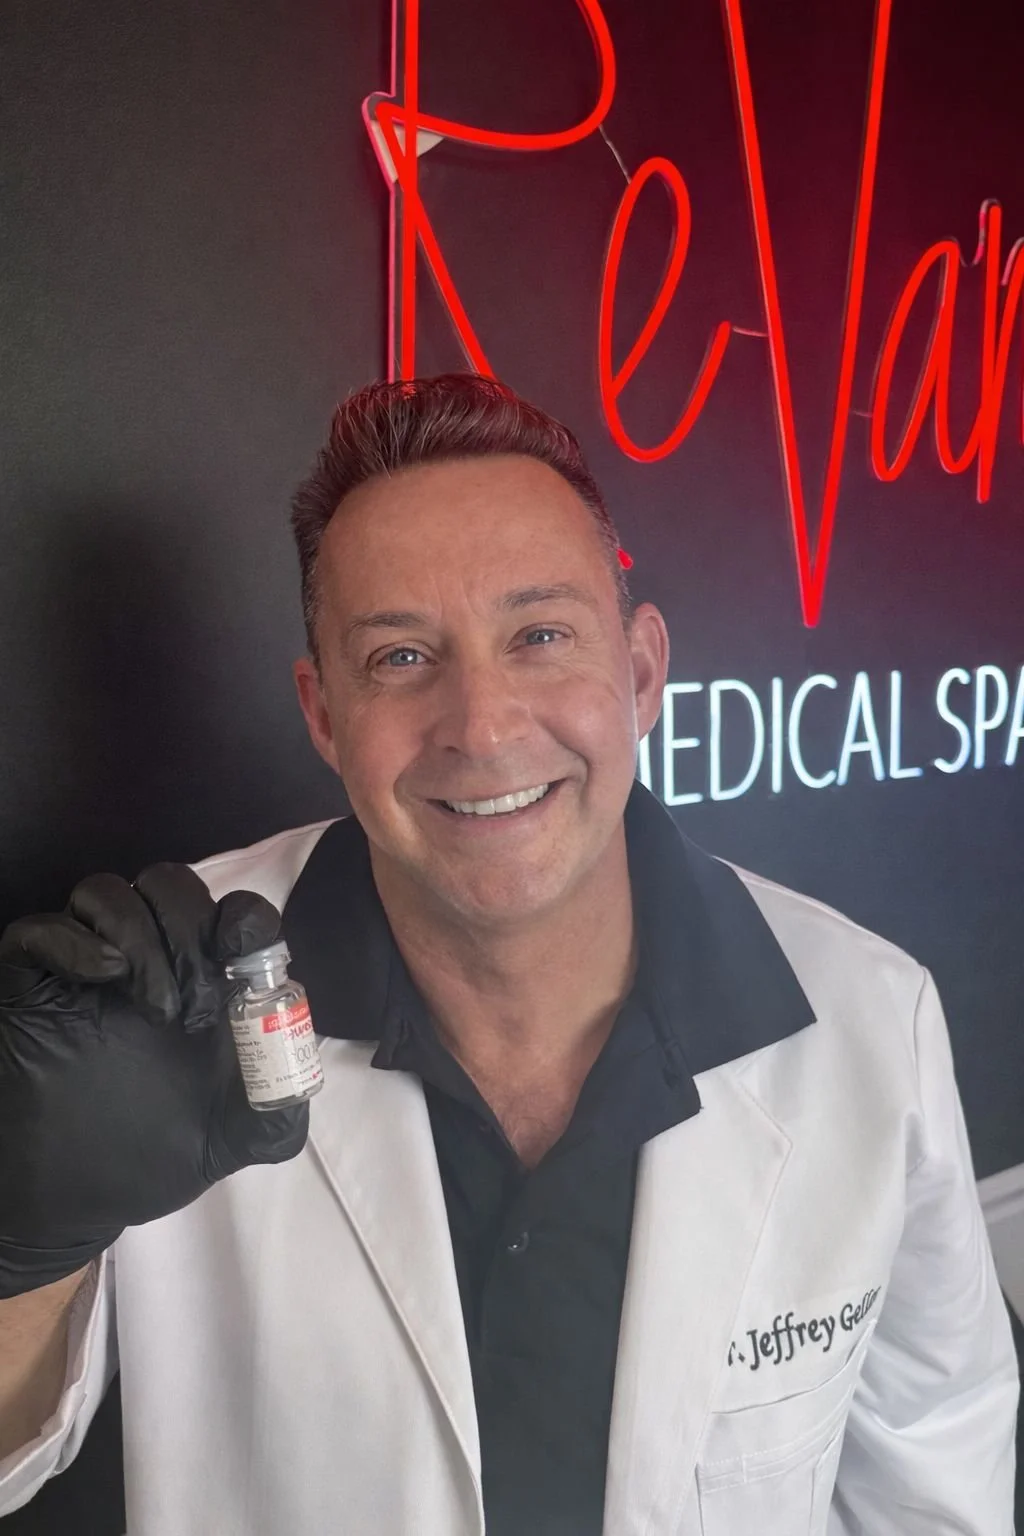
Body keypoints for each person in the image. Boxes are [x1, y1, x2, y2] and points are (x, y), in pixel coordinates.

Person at [0, 374, 1017, 1536]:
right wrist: (20, 1244)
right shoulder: (160, 1002)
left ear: (638, 674)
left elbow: (939, 1476)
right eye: (397, 658)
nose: (481, 727)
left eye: (539, 635)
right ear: (323, 711)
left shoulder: (871, 1020)